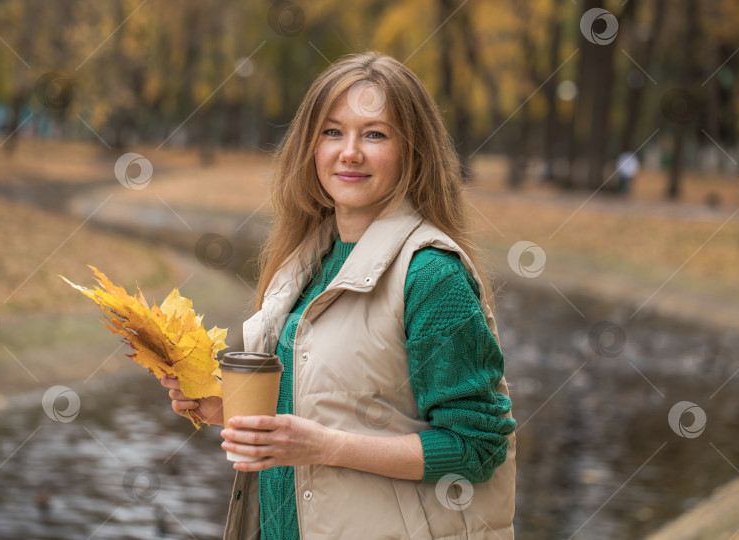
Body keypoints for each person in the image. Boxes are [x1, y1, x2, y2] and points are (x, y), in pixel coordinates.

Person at [161, 52, 517, 540]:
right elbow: (316, 408)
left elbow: (477, 445)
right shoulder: (306, 261)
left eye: (374, 134)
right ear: (310, 146)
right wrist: (222, 408)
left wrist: (323, 446)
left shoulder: (431, 275)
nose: (349, 152)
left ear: (411, 151)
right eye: (332, 132)